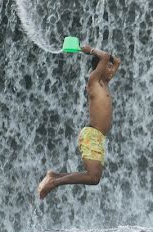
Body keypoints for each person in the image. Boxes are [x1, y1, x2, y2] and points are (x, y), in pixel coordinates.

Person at [37, 44, 121, 199]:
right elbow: (103, 57)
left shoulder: (105, 83)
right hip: (91, 135)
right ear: (99, 68)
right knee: (93, 177)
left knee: (94, 177)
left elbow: (117, 62)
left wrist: (110, 59)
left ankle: (54, 176)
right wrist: (89, 50)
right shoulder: (93, 81)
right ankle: (53, 182)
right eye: (107, 67)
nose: (111, 70)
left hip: (98, 137)